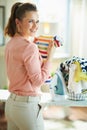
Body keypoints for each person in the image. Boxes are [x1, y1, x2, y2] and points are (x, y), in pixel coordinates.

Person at [4, 2, 55, 130]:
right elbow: (38, 81)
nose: (35, 26)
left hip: (11, 106)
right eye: (31, 21)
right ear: (18, 22)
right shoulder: (29, 47)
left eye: (37, 21)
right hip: (26, 107)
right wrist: (50, 57)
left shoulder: (11, 43)